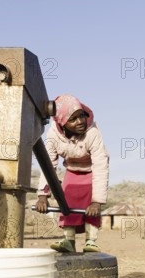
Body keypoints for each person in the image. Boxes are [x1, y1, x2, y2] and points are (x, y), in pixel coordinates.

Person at [35, 94, 109, 253]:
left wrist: (97, 201)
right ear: (62, 122)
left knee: (91, 206)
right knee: (66, 200)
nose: (80, 121)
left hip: (91, 170)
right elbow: (48, 165)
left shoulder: (92, 133)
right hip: (71, 170)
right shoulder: (54, 136)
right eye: (73, 119)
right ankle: (68, 241)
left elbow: (100, 165)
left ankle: (91, 241)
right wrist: (43, 195)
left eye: (81, 116)